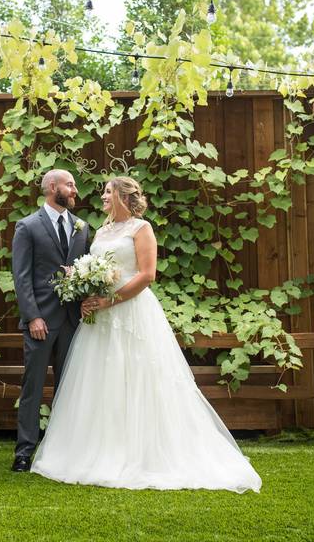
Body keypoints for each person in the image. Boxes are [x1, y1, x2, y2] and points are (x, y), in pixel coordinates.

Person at [30, 175, 262, 493]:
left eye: (108, 192)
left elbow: (147, 274)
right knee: (102, 381)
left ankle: (143, 452)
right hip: (100, 316)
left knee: (138, 376)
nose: (102, 197)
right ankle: (98, 450)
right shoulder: (101, 230)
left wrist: (111, 299)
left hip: (131, 311)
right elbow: (94, 269)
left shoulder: (142, 229)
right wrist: (88, 295)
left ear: (124, 196)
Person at [10, 169, 90, 472]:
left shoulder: (82, 228)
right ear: (52, 187)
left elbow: (85, 270)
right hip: (41, 322)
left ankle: (62, 452)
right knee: (32, 387)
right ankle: (24, 452)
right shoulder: (27, 227)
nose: (74, 190)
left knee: (69, 388)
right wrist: (33, 317)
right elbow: (22, 277)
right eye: (70, 185)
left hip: (73, 321)